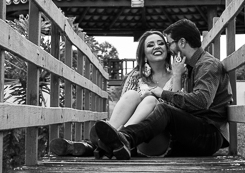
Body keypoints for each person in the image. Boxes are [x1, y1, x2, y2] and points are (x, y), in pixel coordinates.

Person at [94, 18, 231, 159]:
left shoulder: (207, 65)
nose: (169, 49)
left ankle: (124, 138)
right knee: (149, 102)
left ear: (182, 42)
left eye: (169, 43)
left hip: (209, 134)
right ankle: (110, 142)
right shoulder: (193, 66)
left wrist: (162, 93)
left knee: (164, 109)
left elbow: (201, 101)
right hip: (195, 130)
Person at [48, 29, 179, 157]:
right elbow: (124, 108)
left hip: (158, 137)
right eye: (150, 45)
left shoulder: (178, 74)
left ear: (167, 49)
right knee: (132, 95)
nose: (157, 46)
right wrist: (141, 99)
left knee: (150, 100)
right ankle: (110, 142)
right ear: (144, 54)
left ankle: (97, 144)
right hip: (135, 139)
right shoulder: (135, 76)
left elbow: (178, 109)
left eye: (161, 43)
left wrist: (175, 78)